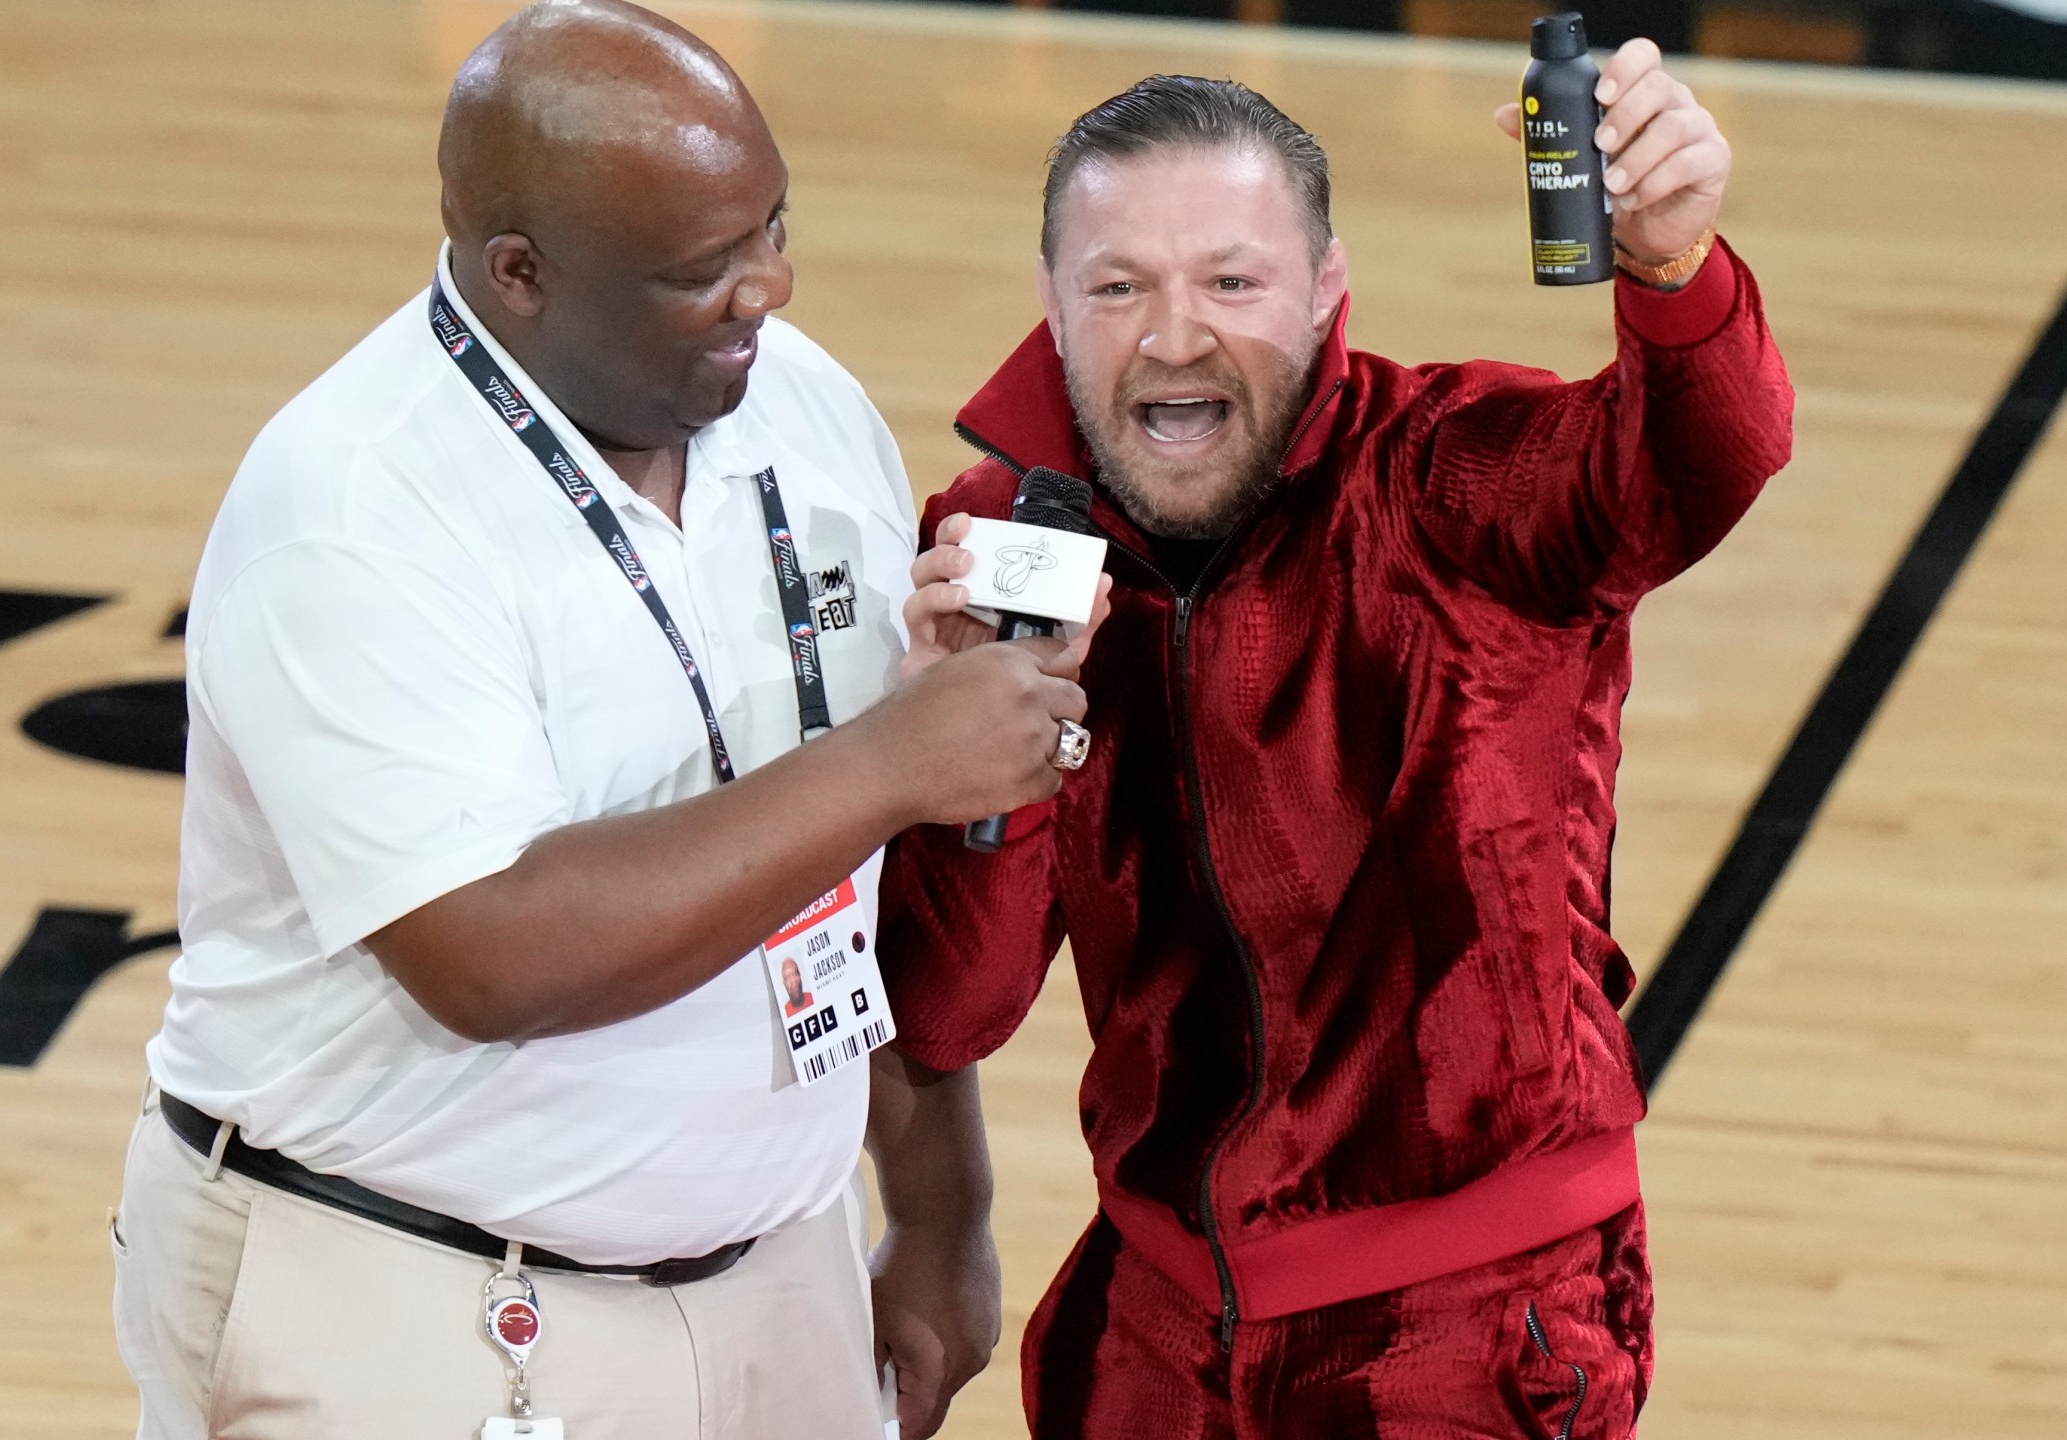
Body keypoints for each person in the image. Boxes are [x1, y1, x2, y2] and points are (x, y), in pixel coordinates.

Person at [108, 4, 1098, 1437]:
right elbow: (495, 956)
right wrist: (889, 761)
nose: (772, 286)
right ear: (521, 274)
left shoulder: (800, 410)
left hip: (778, 1276)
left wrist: (939, 1213)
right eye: (707, 270)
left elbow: (836, 891)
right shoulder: (352, 514)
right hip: (418, 1299)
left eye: (772, 226)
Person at [869, 56, 1793, 1440]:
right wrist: (955, 778)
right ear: (1054, 307)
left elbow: (1697, 457)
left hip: (1471, 1334)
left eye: (1231, 284)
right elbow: (951, 1008)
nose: (1174, 336)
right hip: (1149, 1327)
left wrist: (1671, 268)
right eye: (1119, 288)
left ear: (1325, 290)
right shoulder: (1006, 540)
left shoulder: (1454, 481)